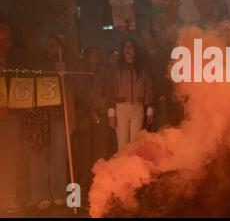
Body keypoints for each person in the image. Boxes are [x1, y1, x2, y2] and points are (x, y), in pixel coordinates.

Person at [24, 33, 71, 210]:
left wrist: (63, 74)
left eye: (54, 45)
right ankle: (40, 194)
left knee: (58, 152)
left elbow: (69, 89)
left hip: (56, 112)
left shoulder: (65, 63)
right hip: (38, 114)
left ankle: (58, 192)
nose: (51, 48)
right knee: (38, 153)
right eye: (48, 45)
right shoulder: (36, 62)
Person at [107, 39, 153, 151]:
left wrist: (149, 110)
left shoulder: (142, 68)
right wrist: (111, 114)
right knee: (122, 145)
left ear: (135, 50)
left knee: (135, 145)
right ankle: (122, 168)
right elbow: (110, 89)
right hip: (121, 108)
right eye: (125, 47)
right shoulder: (116, 68)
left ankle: (132, 168)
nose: (128, 50)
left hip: (138, 108)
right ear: (122, 50)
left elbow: (148, 89)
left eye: (130, 47)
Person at [75, 46, 110, 188]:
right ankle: (85, 176)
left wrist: (99, 108)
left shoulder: (105, 72)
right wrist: (88, 109)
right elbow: (78, 93)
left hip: (100, 112)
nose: (94, 57)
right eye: (91, 54)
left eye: (96, 54)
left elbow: (109, 91)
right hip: (84, 114)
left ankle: (98, 175)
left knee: (100, 146)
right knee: (84, 147)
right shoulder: (81, 72)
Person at [0, 23, 22, 213]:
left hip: (10, 115)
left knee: (9, 158)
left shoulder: (16, 59)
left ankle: (8, 198)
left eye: (5, 39)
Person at [139, 27, 172, 130]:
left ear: (153, 37)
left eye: (145, 35)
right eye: (141, 35)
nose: (143, 38)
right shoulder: (139, 56)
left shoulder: (163, 54)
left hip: (161, 97)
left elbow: (169, 75)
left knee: (163, 125)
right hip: (144, 98)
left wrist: (165, 93)